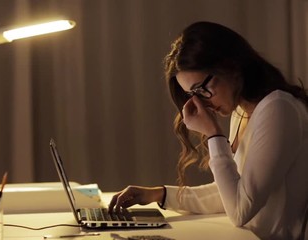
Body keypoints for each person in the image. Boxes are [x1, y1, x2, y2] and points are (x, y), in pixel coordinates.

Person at [108, 21, 308, 240]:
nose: (201, 103)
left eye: (202, 89)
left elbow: (240, 210)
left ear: (230, 66)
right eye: (192, 94)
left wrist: (214, 134)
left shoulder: (278, 108)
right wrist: (159, 194)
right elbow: (232, 193)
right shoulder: (242, 112)